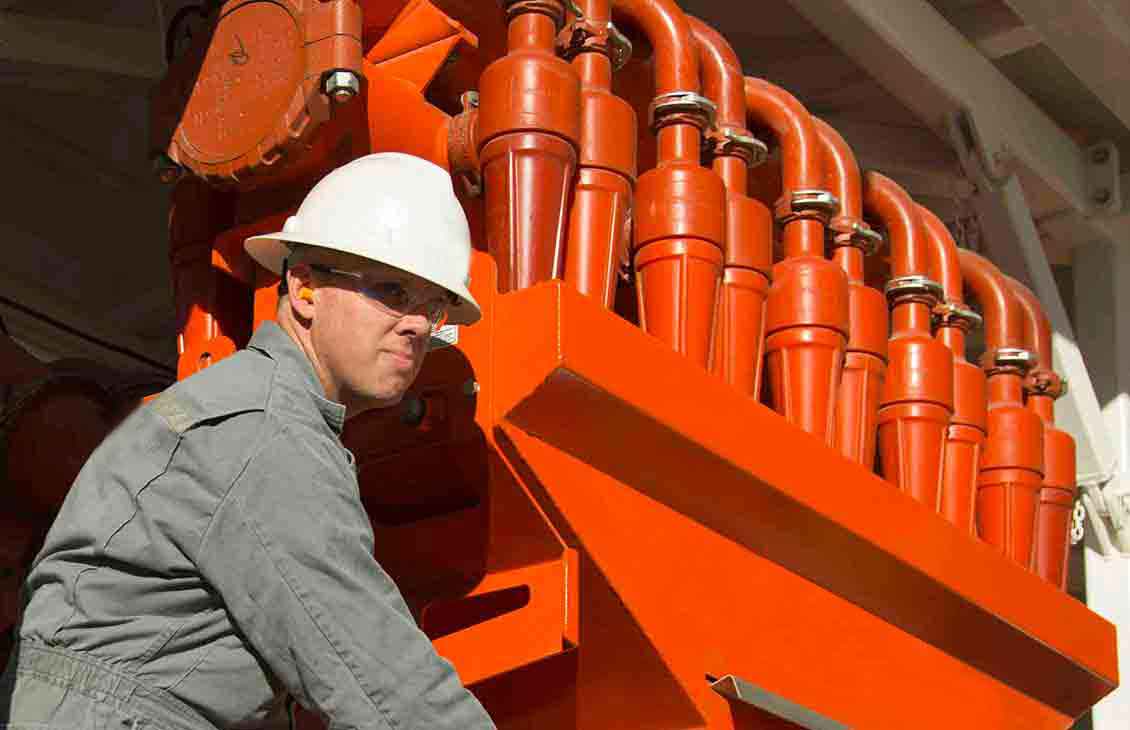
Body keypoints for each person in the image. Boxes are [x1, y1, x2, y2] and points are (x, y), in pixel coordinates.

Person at [0, 153, 497, 729]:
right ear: (305, 288)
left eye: (433, 308)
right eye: (392, 291)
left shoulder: (254, 410)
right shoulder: (263, 430)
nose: (417, 324)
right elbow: (383, 681)